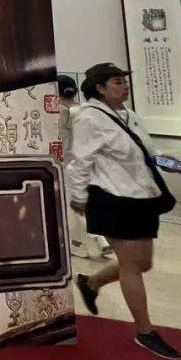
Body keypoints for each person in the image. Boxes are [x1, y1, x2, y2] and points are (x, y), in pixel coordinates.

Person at [69, 62, 181, 360]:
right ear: (100, 88)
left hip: (142, 197)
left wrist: (166, 162)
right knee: (131, 266)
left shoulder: (130, 115)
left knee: (142, 263)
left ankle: (91, 282)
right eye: (117, 82)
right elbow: (80, 162)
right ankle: (145, 331)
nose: (124, 86)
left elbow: (146, 151)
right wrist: (79, 197)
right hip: (111, 198)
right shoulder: (89, 118)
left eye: (124, 81)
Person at [58, 76, 110, 261]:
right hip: (86, 162)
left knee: (73, 206)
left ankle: (80, 243)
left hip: (66, 164)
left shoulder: (59, 112)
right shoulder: (82, 110)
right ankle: (101, 239)